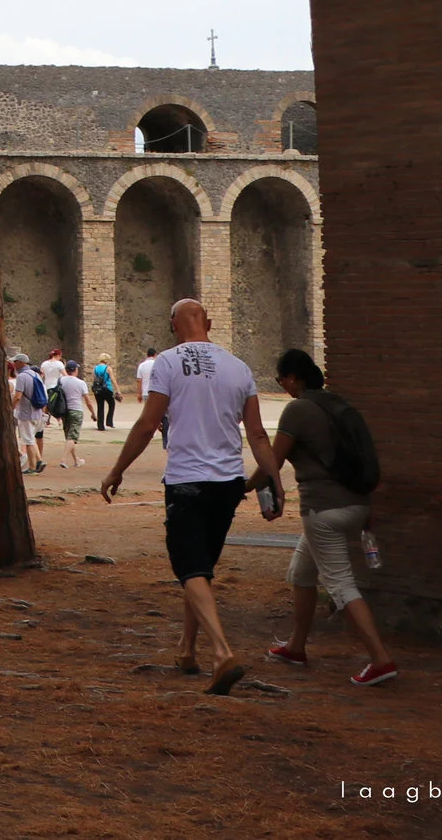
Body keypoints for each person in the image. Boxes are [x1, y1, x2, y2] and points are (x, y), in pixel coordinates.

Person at [100, 298, 271, 696]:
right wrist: (272, 480)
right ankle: (187, 650)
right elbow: (259, 434)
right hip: (230, 482)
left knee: (190, 567)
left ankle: (222, 653)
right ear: (208, 323)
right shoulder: (239, 367)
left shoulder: (168, 362)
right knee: (201, 570)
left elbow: (147, 424)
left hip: (187, 481)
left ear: (173, 325)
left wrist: (117, 469)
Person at [252, 348, 397, 686]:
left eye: (282, 379)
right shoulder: (337, 405)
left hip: (323, 510)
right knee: (302, 573)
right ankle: (296, 647)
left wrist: (241, 487)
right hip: (356, 505)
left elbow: (272, 462)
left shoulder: (298, 409)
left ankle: (381, 658)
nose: (282, 385)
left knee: (341, 583)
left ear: (293, 378)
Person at [53, 359, 91, 469]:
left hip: (65, 411)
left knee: (69, 437)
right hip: (76, 410)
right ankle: (63, 460)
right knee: (72, 438)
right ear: (75, 370)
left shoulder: (61, 380)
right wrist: (93, 413)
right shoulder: (81, 383)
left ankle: (76, 460)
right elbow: (88, 400)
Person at [8, 357, 43, 474]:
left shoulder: (22, 377)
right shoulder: (35, 374)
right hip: (37, 411)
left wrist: (10, 409)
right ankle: (39, 461)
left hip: (26, 413)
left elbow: (18, 396)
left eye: (16, 362)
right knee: (31, 438)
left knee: (28, 440)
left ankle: (32, 467)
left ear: (21, 363)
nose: (14, 364)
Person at [90, 355, 117, 431]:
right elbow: (113, 379)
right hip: (107, 388)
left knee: (100, 406)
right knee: (111, 404)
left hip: (98, 389)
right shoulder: (108, 368)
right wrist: (117, 390)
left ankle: (100, 426)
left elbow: (94, 378)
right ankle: (109, 421)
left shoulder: (95, 368)